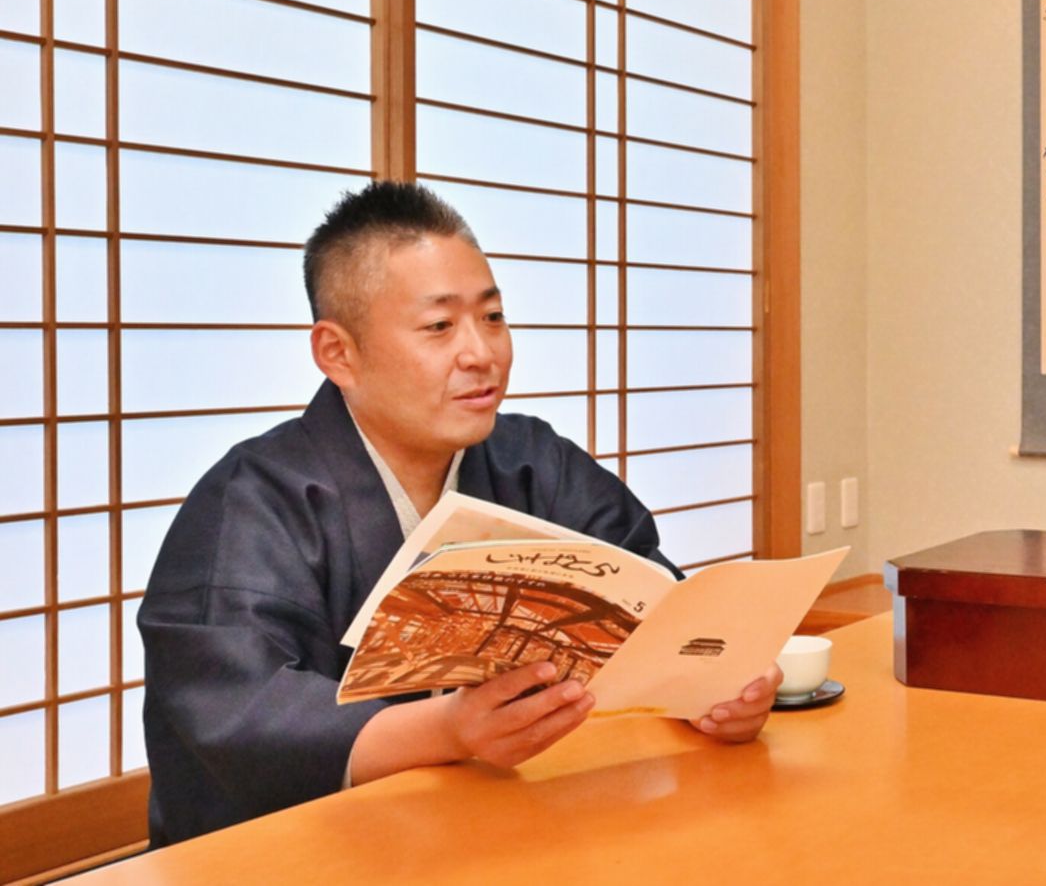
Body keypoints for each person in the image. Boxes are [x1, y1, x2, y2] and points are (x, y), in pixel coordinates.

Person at [140, 182, 781, 846]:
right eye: (439, 326)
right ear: (339, 353)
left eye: (493, 316)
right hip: (304, 850)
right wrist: (445, 731)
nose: (483, 353)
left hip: (503, 827)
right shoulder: (252, 501)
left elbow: (655, 599)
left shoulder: (532, 460)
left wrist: (718, 687)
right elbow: (236, 710)